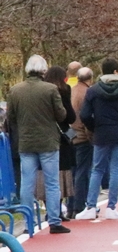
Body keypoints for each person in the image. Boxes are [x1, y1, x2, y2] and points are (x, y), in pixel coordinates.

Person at [7, 55, 70, 234]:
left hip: (26, 141)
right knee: (51, 182)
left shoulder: (15, 90)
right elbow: (61, 115)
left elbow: (11, 117)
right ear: (44, 70)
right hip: (48, 141)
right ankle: (54, 221)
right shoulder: (50, 89)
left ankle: (28, 222)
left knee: (27, 182)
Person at [76, 58, 118, 221]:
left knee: (97, 169)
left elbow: (84, 115)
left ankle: (90, 206)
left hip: (101, 133)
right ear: (117, 71)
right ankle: (111, 207)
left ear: (102, 71)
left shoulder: (93, 90)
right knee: (116, 169)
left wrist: (94, 127)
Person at [41, 66, 77, 219]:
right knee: (61, 174)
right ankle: (57, 209)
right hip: (60, 136)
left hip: (43, 134)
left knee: (44, 173)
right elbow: (69, 116)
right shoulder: (64, 90)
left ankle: (49, 209)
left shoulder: (41, 90)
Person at [70, 66, 94, 214]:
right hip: (82, 137)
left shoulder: (72, 90)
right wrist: (91, 136)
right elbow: (86, 117)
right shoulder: (87, 93)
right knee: (82, 172)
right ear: (90, 79)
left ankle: (71, 204)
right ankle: (79, 205)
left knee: (72, 172)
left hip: (70, 136)